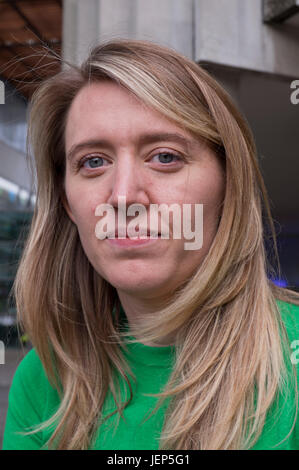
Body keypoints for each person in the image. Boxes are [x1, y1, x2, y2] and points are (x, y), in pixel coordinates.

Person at [2, 38, 299, 450]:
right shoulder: (44, 378)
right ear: (68, 203)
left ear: (229, 186)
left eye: (165, 157)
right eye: (93, 161)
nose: (123, 197)